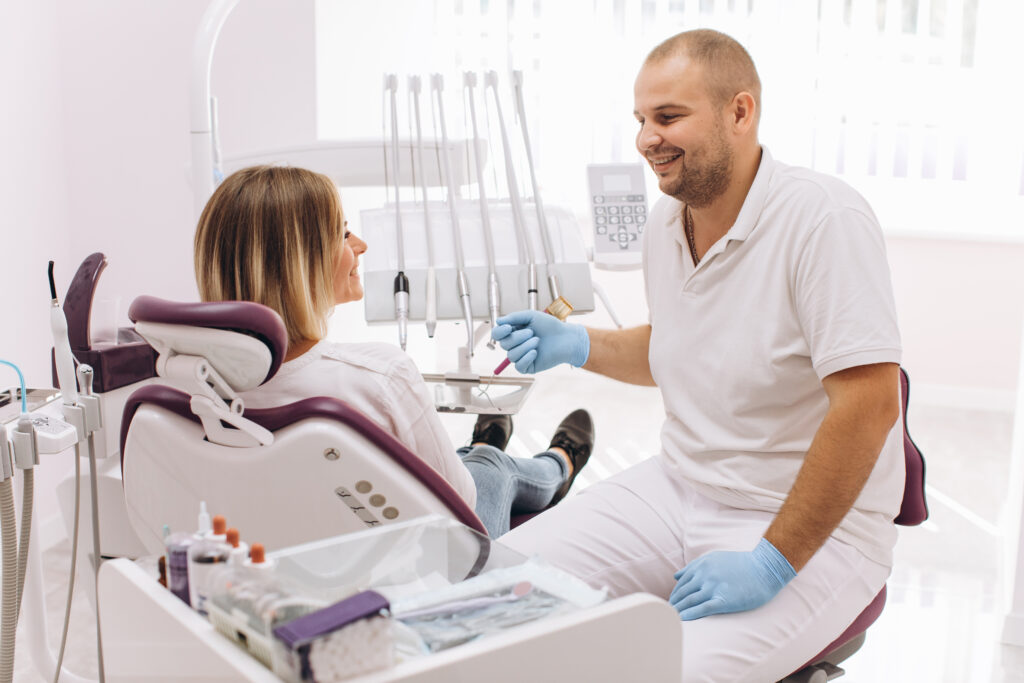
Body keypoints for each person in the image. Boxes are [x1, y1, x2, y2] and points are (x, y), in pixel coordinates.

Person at [491, 29, 904, 681]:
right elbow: (675, 345)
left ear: (741, 112)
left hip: (805, 523)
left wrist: (774, 559)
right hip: (680, 484)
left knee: (662, 673)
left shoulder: (823, 220)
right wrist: (576, 344)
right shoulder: (667, 222)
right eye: (641, 120)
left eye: (669, 116)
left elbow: (870, 405)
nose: (646, 138)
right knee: (495, 588)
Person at [192, 164, 594, 538]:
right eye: (343, 234)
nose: (361, 245)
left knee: (465, 461)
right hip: (419, 567)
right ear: (301, 262)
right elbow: (462, 505)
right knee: (489, 471)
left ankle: (486, 445)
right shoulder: (380, 376)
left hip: (284, 546)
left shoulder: (195, 381)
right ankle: (559, 463)